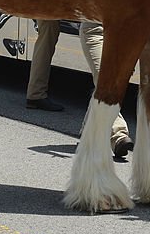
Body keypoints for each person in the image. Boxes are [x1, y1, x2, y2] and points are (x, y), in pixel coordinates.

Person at [25, 19, 134, 159]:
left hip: (120, 23)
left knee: (112, 79)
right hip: (94, 18)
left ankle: (88, 131)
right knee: (106, 79)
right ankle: (117, 134)